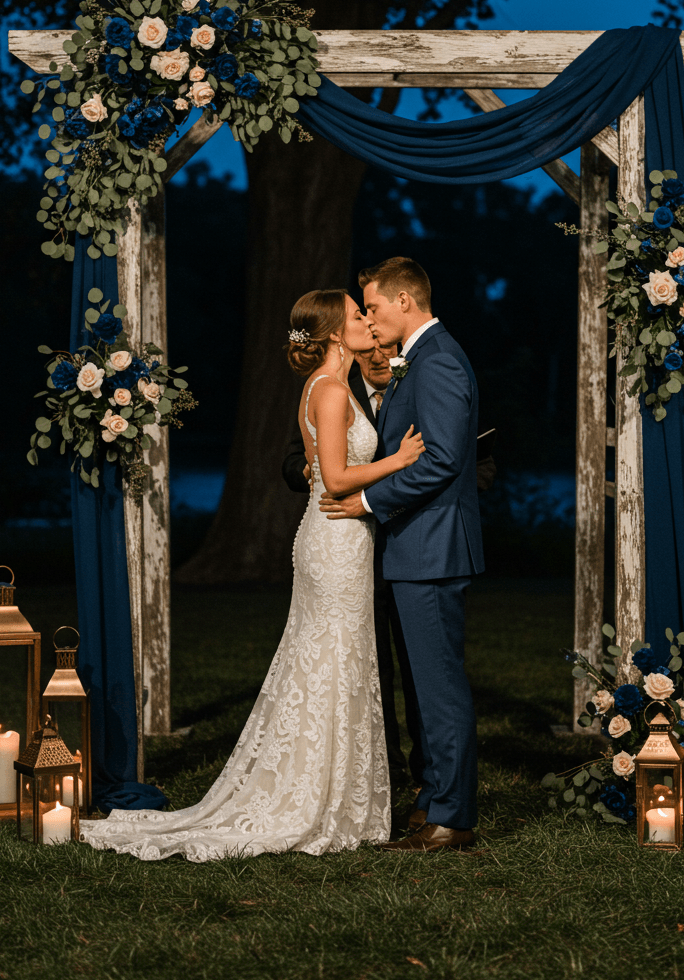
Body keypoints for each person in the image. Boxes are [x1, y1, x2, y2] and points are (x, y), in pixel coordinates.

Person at [79, 289, 425, 862]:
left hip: (333, 540)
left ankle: (339, 797)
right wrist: (400, 458)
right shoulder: (333, 389)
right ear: (336, 332)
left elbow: (321, 466)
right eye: (357, 313)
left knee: (333, 663)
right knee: (334, 663)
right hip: (335, 541)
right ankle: (319, 801)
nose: (367, 320)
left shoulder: (319, 387)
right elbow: (337, 479)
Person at [320, 257, 485, 852]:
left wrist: (367, 501)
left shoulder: (437, 361)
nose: (368, 317)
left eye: (373, 306)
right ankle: (435, 800)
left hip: (433, 550)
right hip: (419, 548)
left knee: (438, 687)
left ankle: (451, 817)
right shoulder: (420, 360)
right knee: (426, 684)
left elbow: (440, 461)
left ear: (405, 302)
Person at [282, 338, 424, 791]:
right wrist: (315, 469)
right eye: (359, 320)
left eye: (389, 351)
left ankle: (401, 771)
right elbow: (311, 462)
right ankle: (363, 772)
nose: (379, 355)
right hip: (342, 534)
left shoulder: (412, 386)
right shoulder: (332, 389)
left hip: (399, 541)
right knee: (352, 661)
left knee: (405, 662)